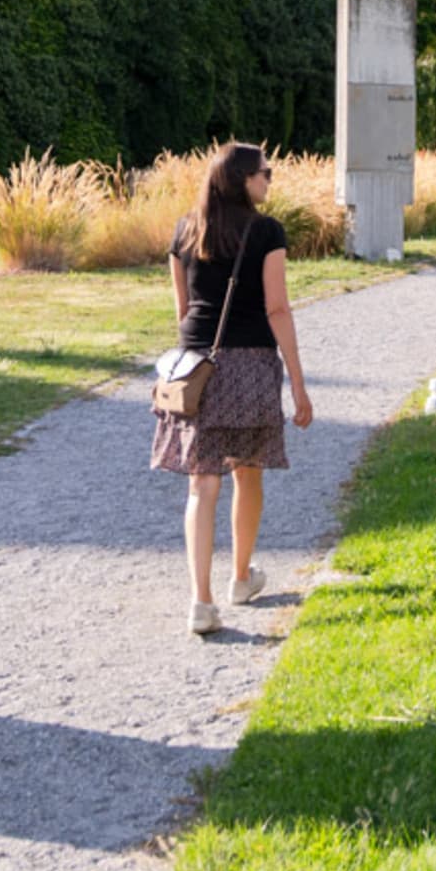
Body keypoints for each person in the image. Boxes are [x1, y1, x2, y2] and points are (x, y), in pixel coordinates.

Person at [152, 142, 314, 635]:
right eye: (266, 173)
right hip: (249, 366)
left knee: (202, 485)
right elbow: (277, 309)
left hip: (195, 367)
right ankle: (240, 578)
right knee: (247, 475)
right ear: (245, 178)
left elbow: (182, 311)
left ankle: (200, 602)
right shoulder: (266, 231)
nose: (270, 180)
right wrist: (300, 386)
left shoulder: (186, 228)